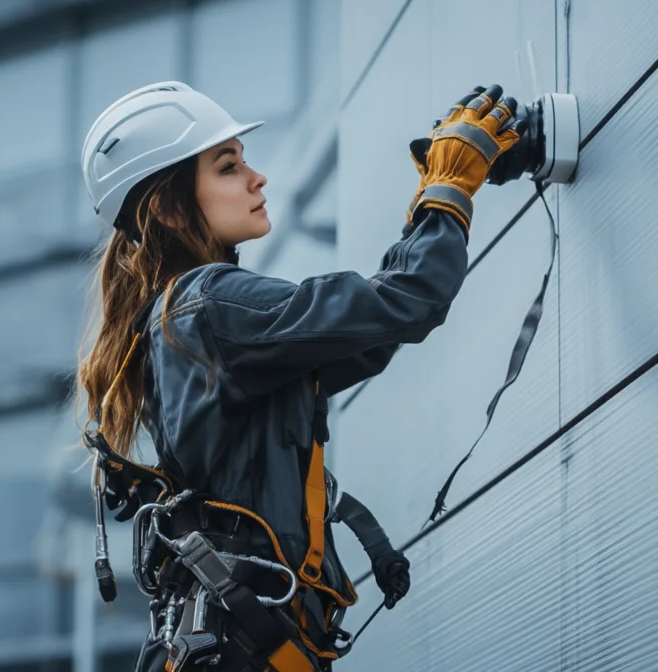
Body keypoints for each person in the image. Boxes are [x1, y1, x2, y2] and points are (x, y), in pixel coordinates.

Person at [77, 81, 521, 670]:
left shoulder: (183, 321)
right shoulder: (212, 306)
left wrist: (428, 206)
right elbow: (407, 301)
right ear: (165, 206)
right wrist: (447, 188)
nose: (256, 178)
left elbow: (375, 326)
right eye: (228, 167)